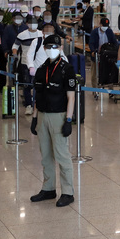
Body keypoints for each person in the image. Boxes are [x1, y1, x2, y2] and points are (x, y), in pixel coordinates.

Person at [29, 34, 76, 208]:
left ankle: (67, 192)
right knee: (46, 156)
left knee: (62, 155)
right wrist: (34, 118)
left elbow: (71, 97)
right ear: (44, 48)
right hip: (42, 115)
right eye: (48, 47)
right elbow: (37, 96)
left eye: (55, 47)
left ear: (61, 48)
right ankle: (48, 189)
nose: (51, 50)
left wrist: (69, 120)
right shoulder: (41, 70)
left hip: (59, 115)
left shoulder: (67, 69)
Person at [13, 17, 43, 115]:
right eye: (31, 23)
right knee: (27, 85)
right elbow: (15, 46)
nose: (33, 25)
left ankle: (38, 104)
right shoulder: (22, 35)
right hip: (26, 63)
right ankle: (28, 105)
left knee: (40, 85)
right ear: (27, 24)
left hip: (39, 64)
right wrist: (14, 53)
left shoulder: (41, 34)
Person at [89, 18, 119, 88]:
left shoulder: (109, 31)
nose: (105, 27)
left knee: (110, 73)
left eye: (106, 26)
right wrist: (93, 51)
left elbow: (115, 42)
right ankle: (95, 88)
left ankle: (111, 89)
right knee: (94, 73)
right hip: (97, 54)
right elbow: (91, 43)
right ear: (100, 24)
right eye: (104, 25)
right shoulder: (94, 32)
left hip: (107, 55)